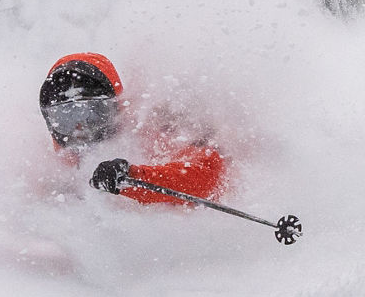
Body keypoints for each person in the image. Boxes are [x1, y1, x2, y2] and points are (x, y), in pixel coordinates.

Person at [38, 53, 231, 207]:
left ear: (115, 107)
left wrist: (132, 177)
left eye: (93, 113)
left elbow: (210, 175)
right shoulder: (59, 156)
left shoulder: (148, 127)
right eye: (66, 117)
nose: (80, 127)